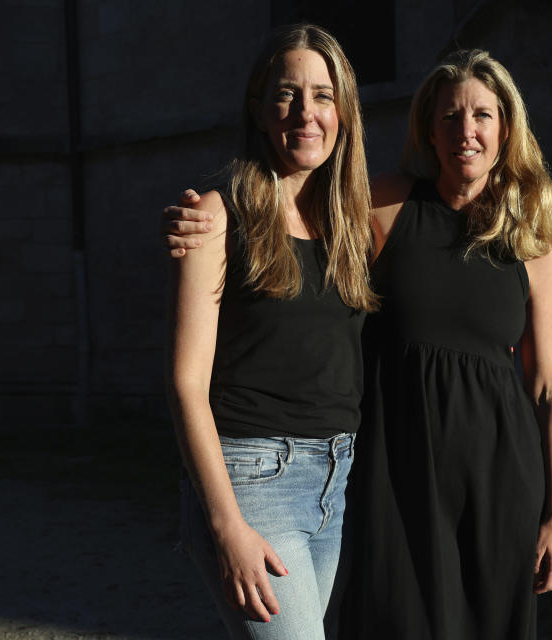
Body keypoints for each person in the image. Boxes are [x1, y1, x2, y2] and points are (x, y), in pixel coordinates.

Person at [166, 48, 552, 640]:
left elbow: (548, 384)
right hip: (391, 472)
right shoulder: (381, 207)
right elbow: (289, 219)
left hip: (498, 480)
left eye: (483, 115)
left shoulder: (534, 240)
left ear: (507, 128)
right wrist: (195, 225)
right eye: (451, 116)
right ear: (428, 128)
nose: (467, 131)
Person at [165, 23, 375, 640]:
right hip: (253, 480)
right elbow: (184, 384)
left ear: (344, 112)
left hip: (337, 480)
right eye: (286, 94)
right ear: (259, 109)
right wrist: (225, 525)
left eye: (322, 95)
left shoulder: (355, 222)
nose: (305, 113)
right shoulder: (215, 213)